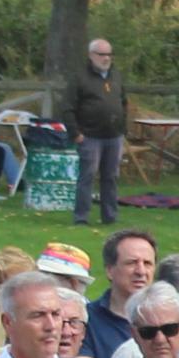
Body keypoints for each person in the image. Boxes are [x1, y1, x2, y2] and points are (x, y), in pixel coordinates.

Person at [61, 33, 132, 223]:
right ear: (91, 55)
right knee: (87, 177)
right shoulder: (80, 78)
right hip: (90, 136)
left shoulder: (116, 76)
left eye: (109, 54)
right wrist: (76, 134)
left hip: (113, 136)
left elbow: (123, 102)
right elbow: (67, 107)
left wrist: (123, 129)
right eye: (101, 54)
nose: (106, 58)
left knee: (110, 178)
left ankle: (109, 217)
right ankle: (81, 217)